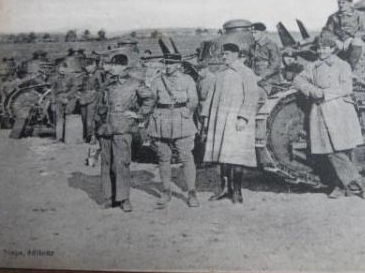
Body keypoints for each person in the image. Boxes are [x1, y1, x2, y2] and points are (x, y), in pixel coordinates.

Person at [293, 30, 365, 199]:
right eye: (319, 48)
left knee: (341, 149)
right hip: (320, 112)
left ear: (333, 49)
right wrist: (311, 90)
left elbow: (347, 88)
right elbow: (298, 80)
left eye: (325, 48)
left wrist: (325, 94)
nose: (321, 51)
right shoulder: (313, 66)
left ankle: (344, 185)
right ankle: (357, 182)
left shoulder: (342, 65)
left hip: (340, 110)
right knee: (329, 149)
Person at [200, 43, 259, 204]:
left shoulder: (246, 73)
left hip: (237, 121)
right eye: (223, 54)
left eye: (226, 54)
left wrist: (243, 118)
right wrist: (206, 119)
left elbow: (251, 97)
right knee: (222, 156)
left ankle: (237, 190)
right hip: (219, 121)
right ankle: (225, 189)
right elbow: (210, 97)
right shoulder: (220, 74)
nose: (223, 56)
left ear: (235, 54)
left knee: (237, 155)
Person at [97, 53, 155, 212]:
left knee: (121, 164)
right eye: (111, 64)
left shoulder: (135, 83)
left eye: (116, 65)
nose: (112, 68)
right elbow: (101, 103)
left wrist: (138, 114)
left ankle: (123, 198)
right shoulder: (109, 83)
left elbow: (150, 98)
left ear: (124, 67)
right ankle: (109, 197)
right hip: (106, 128)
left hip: (123, 128)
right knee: (106, 163)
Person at [147, 55, 200, 208]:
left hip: (181, 120)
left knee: (186, 157)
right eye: (166, 63)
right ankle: (166, 191)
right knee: (163, 157)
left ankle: (191, 192)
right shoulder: (157, 80)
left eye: (171, 63)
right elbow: (151, 100)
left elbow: (193, 100)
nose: (167, 66)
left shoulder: (187, 80)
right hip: (161, 120)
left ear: (178, 65)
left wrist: (187, 112)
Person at [324, 0, 365, 70]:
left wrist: (351, 38)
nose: (340, 5)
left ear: (350, 3)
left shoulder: (359, 15)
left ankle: (350, 69)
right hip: (339, 44)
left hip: (354, 43)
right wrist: (336, 40)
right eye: (339, 3)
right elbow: (327, 31)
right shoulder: (333, 17)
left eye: (343, 3)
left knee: (357, 42)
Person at [50, 60, 80, 142]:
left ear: (66, 68)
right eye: (59, 68)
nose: (61, 70)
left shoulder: (72, 76)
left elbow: (75, 88)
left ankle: (68, 136)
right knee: (59, 118)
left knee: (68, 116)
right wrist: (53, 101)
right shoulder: (55, 77)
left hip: (69, 98)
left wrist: (67, 96)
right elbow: (53, 90)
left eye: (63, 68)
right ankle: (58, 137)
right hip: (59, 98)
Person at [250, 22, 282, 97]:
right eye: (252, 33)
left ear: (263, 32)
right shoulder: (252, 46)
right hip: (257, 81)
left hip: (270, 82)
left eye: (255, 32)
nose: (253, 35)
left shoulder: (271, 45)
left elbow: (275, 65)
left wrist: (261, 77)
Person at [77, 57, 105, 143]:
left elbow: (101, 88)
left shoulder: (98, 74)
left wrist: (99, 100)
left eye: (89, 66)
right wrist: (79, 93)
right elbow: (81, 86)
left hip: (94, 98)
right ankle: (86, 136)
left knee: (91, 118)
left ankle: (92, 136)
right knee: (84, 118)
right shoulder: (84, 75)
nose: (87, 68)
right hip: (83, 98)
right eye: (86, 66)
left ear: (94, 65)